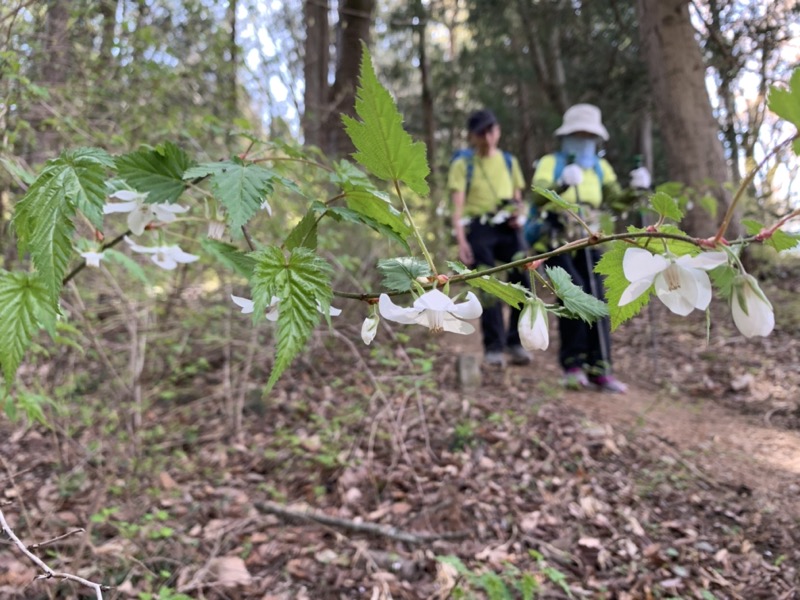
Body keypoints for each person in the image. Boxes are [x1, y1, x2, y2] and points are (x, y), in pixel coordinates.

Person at [529, 103, 651, 393]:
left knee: (600, 296)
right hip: (560, 239)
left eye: (589, 135)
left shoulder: (600, 167)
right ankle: (572, 365)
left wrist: (636, 189)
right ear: (566, 136)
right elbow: (537, 198)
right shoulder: (551, 162)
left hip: (593, 238)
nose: (584, 141)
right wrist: (561, 183)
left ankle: (601, 368)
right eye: (578, 134)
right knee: (573, 294)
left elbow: (616, 200)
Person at [448, 109, 531, 368]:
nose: (487, 137)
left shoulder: (509, 161)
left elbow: (518, 198)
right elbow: (457, 208)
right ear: (472, 136)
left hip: (508, 227)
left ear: (498, 130)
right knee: (488, 286)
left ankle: (515, 342)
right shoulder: (464, 165)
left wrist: (519, 216)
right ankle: (493, 346)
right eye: (481, 132)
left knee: (522, 281)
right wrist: (461, 241)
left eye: (491, 130)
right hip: (479, 228)